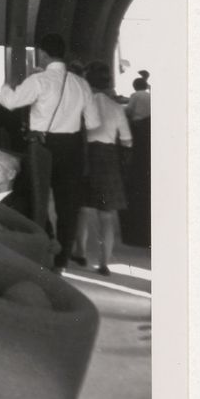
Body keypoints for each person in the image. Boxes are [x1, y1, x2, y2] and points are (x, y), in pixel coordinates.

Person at [0, 33, 100, 270]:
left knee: (33, 195)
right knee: (68, 204)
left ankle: (44, 241)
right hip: (73, 147)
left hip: (42, 147)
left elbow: (11, 102)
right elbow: (93, 122)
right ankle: (61, 260)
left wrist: (4, 87)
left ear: (42, 53)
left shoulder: (39, 81)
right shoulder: (81, 83)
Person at [74, 60, 133, 275]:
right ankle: (104, 263)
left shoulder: (83, 104)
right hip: (108, 161)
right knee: (106, 216)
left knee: (82, 209)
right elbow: (127, 140)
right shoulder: (116, 108)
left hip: (86, 158)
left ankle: (80, 254)